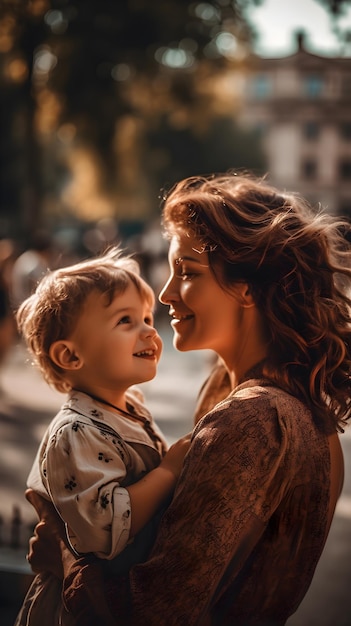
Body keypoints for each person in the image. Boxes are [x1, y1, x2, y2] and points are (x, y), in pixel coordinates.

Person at [26, 172, 351, 626]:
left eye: (189, 273)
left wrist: (63, 556)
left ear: (247, 286)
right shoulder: (259, 398)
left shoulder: (254, 419)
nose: (166, 295)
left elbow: (153, 612)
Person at [14, 247, 190, 625]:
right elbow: (103, 530)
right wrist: (168, 472)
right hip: (77, 610)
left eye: (146, 317)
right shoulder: (75, 432)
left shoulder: (130, 406)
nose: (149, 330)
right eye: (125, 320)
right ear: (71, 356)